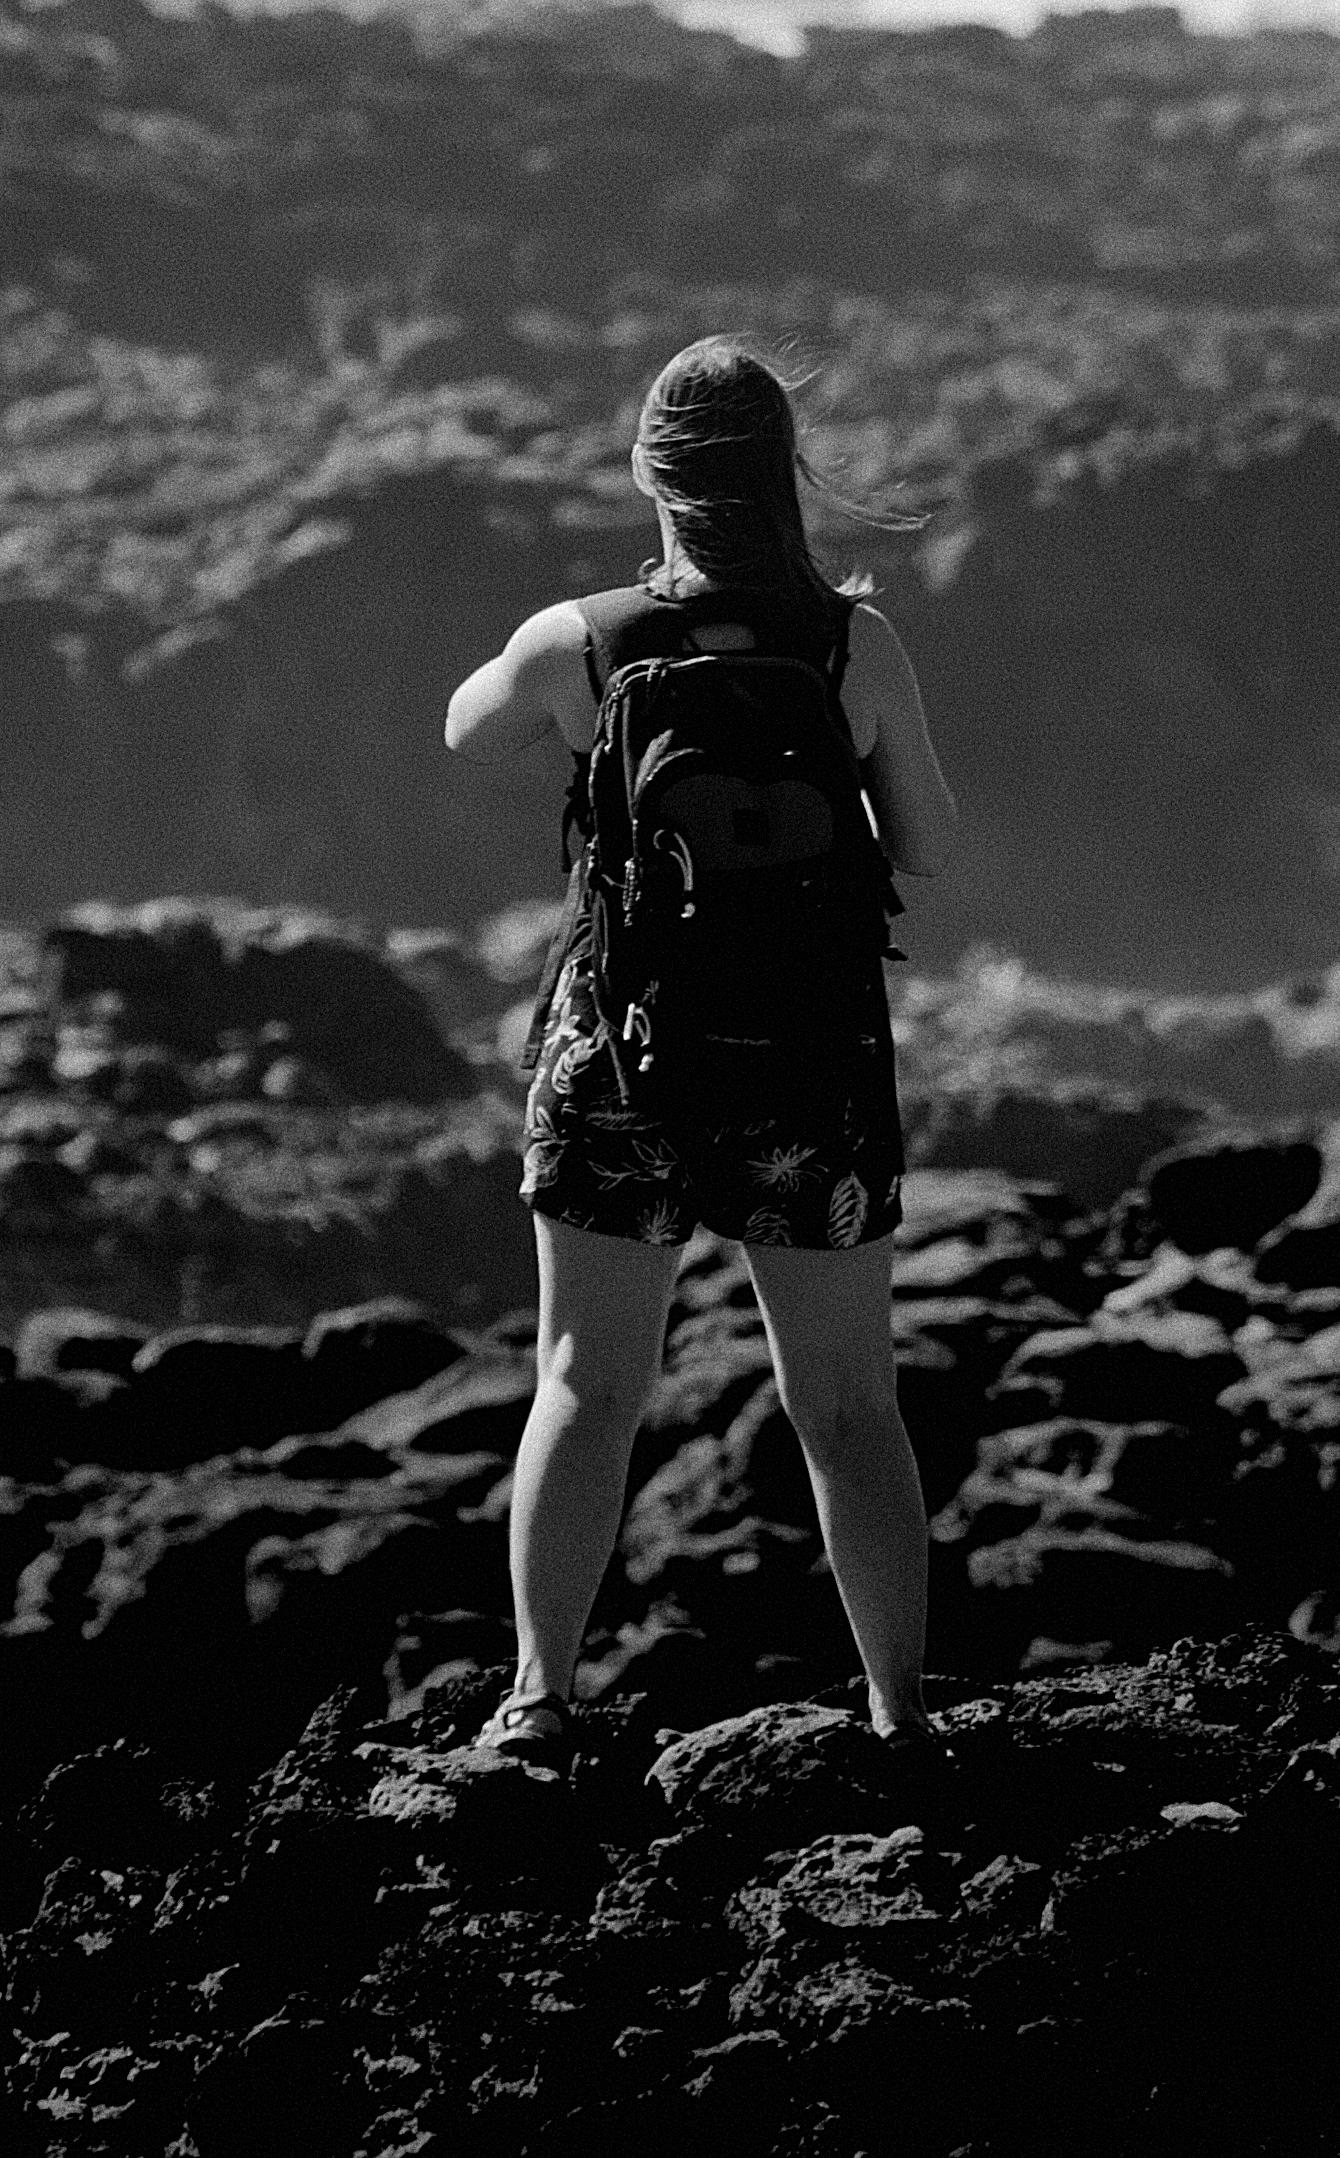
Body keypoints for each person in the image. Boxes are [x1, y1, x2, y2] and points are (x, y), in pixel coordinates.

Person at [443, 336, 961, 1768]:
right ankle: (901, 1715)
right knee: (849, 1402)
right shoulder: (856, 645)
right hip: (812, 1065)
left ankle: (541, 1695)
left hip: (621, 1056)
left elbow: (462, 726)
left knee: (587, 1381)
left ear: (650, 475)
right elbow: (930, 844)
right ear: (789, 476)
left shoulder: (583, 640)